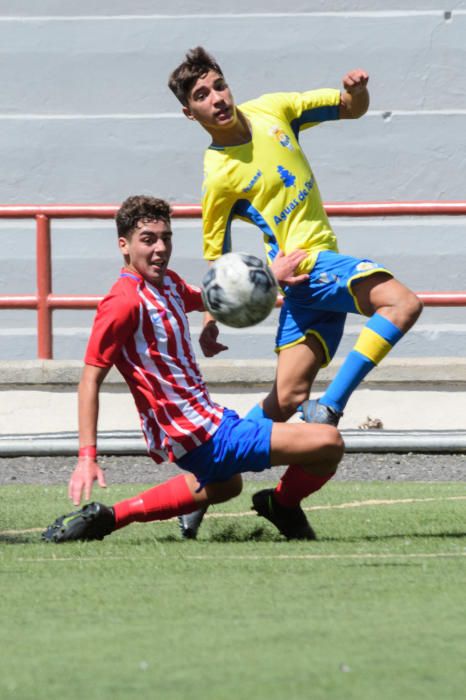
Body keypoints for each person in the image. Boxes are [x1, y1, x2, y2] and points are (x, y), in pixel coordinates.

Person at [168, 47, 423, 538]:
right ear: (190, 112)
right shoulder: (219, 175)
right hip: (310, 265)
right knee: (403, 303)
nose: (217, 98)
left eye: (218, 85)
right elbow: (216, 261)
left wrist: (357, 91)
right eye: (202, 95)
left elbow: (351, 108)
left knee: (286, 397)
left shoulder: (273, 109)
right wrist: (209, 320)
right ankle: (332, 407)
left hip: (312, 278)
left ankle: (223, 480)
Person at [42, 195, 344, 544]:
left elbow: (210, 296)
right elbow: (89, 380)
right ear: (123, 245)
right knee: (328, 441)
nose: (160, 248)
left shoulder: (167, 283)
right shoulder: (122, 302)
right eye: (148, 239)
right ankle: (282, 505)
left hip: (208, 423)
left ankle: (108, 518)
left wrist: (266, 278)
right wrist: (86, 457)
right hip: (200, 435)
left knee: (225, 485)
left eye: (165, 238)